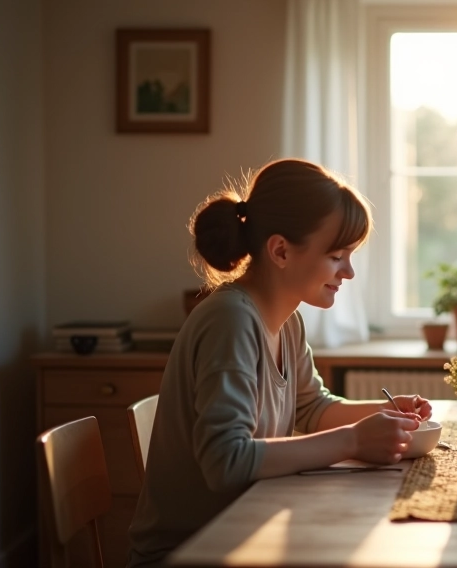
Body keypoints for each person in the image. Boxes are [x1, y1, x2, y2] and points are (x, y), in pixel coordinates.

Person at [128, 159, 431, 568]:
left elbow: (312, 408)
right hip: (191, 553)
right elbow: (226, 461)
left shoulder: (287, 322)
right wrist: (354, 441)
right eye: (337, 255)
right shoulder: (230, 322)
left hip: (245, 534)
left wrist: (385, 413)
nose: (349, 272)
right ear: (281, 251)